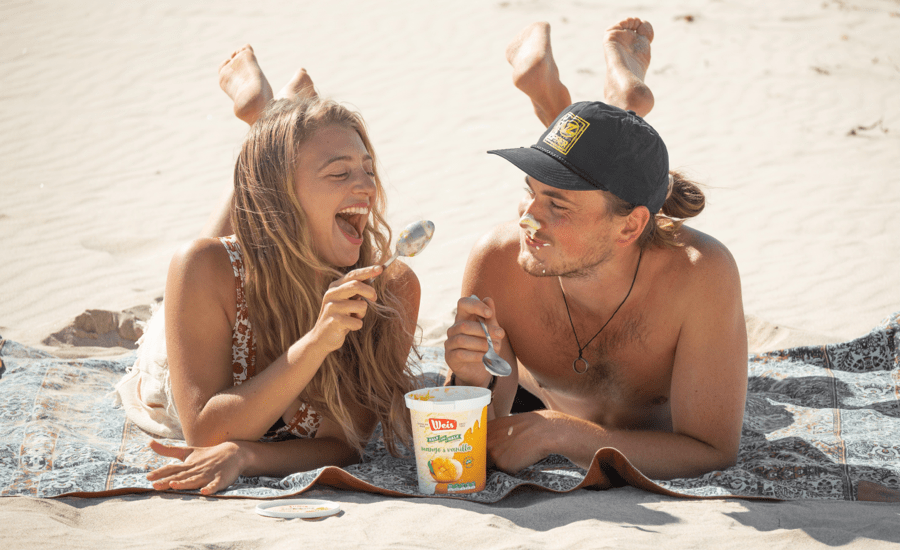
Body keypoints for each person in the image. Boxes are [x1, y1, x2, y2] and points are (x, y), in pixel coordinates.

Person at [443, 18, 748, 480]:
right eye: (530, 191)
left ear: (632, 229)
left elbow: (710, 452)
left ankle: (617, 104)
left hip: (602, 422)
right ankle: (623, 105)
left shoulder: (697, 275)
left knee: (611, 172)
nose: (527, 217)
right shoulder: (500, 260)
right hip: (545, 399)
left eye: (556, 205)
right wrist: (467, 378)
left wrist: (563, 434)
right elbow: (473, 439)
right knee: (603, 168)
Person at [117, 45, 421, 495]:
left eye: (368, 169)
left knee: (263, 223)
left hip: (271, 232)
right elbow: (204, 432)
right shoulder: (204, 269)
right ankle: (266, 122)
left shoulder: (391, 290)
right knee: (202, 252)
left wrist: (247, 455)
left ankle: (270, 119)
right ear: (284, 194)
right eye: (340, 174)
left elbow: (346, 442)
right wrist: (316, 343)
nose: (366, 187)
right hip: (182, 354)